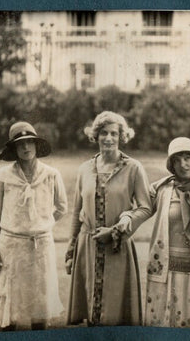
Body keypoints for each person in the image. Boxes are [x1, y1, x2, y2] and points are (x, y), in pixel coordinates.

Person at [65, 111, 152, 326]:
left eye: (114, 133)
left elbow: (145, 207)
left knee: (115, 314)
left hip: (117, 246)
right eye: (103, 133)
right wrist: (71, 247)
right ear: (96, 136)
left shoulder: (133, 168)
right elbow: (77, 212)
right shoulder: (85, 169)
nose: (109, 138)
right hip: (88, 246)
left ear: (122, 136)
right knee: (91, 312)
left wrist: (116, 231)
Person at [0, 121, 68, 330]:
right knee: (9, 309)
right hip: (11, 248)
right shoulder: (3, 176)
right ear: (14, 149)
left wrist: (42, 226)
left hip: (41, 247)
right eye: (21, 144)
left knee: (40, 304)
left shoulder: (51, 174)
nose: (26, 148)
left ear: (37, 145)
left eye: (30, 142)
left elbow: (62, 208)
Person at [143, 137, 190, 328]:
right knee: (161, 322)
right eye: (177, 159)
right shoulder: (162, 189)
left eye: (187, 157)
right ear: (172, 164)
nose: (183, 164)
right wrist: (123, 223)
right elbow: (140, 210)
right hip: (165, 267)